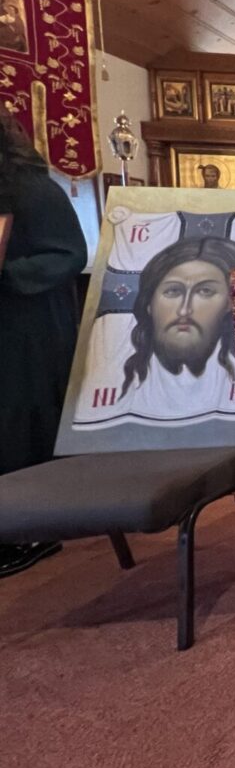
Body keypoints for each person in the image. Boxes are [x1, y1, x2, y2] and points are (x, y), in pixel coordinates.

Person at [0, 110, 86, 578]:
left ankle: (29, 525)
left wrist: (10, 274)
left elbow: (68, 252)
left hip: (23, 328)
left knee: (17, 420)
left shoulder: (29, 187)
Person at [118, 235, 235, 415]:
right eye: (172, 291)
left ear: (230, 304)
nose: (184, 310)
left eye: (205, 291)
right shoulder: (114, 374)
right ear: (149, 303)